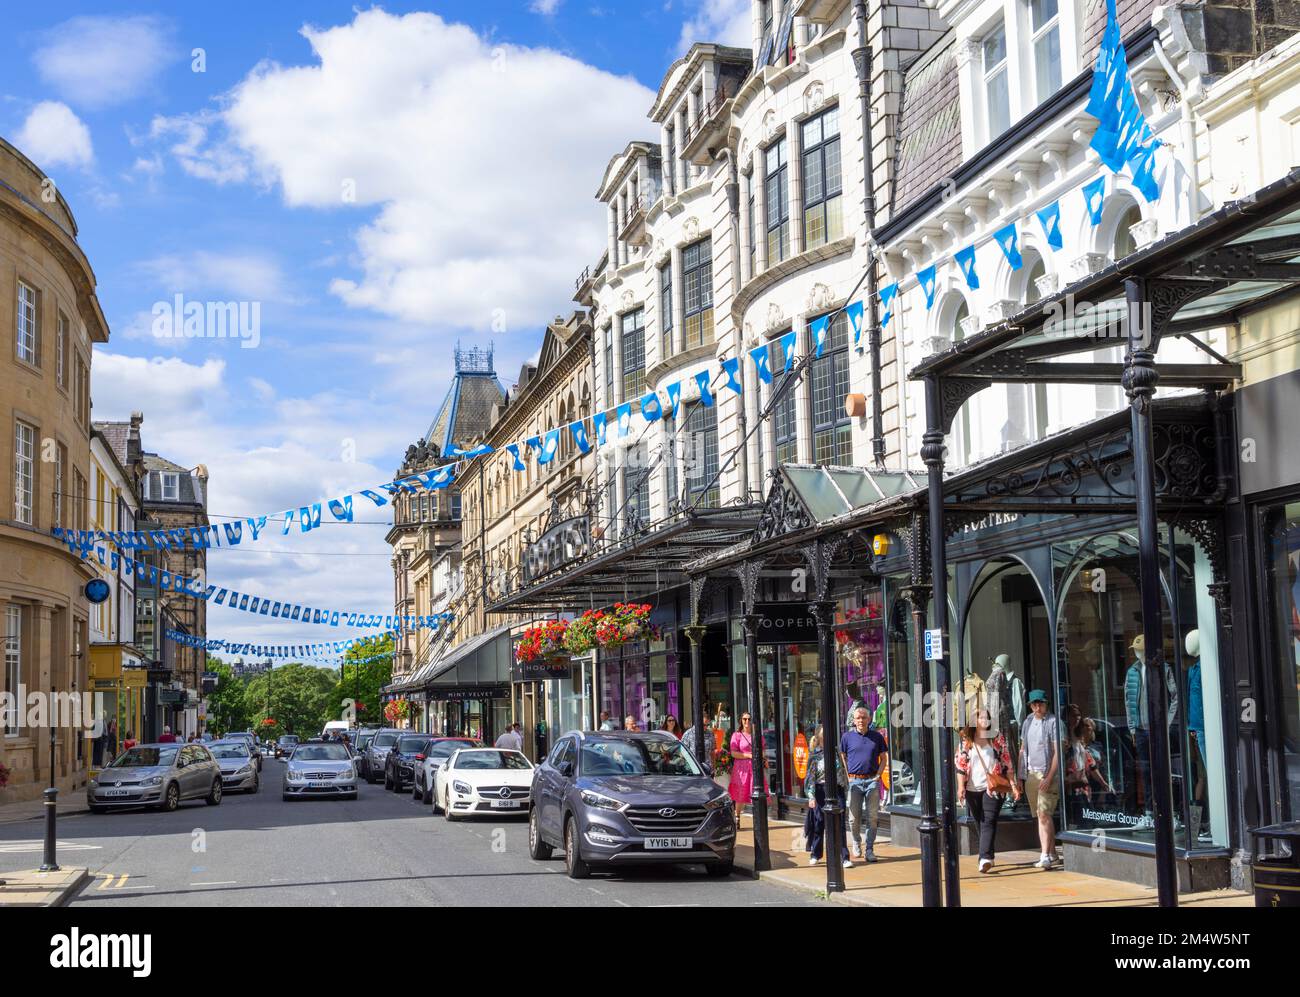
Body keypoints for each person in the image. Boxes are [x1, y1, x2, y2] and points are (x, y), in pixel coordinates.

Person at [955, 707, 1021, 873]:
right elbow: (960, 766)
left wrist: (1013, 785)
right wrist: (961, 787)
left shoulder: (996, 738)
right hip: (972, 788)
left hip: (992, 788)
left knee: (988, 821)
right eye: (981, 718)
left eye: (987, 718)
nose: (985, 721)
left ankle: (984, 857)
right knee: (980, 821)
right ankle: (988, 855)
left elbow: (1008, 764)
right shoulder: (966, 740)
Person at [1018, 689, 1061, 869]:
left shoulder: (1053, 722)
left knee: (1044, 814)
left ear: (1046, 704)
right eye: (1034, 704)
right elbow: (1022, 749)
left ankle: (1044, 856)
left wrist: (1049, 777)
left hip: (1046, 774)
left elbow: (1058, 752)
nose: (1037, 707)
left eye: (1040, 703)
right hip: (1031, 774)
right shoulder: (1027, 721)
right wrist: (1020, 776)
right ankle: (1052, 854)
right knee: (1040, 816)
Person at [839, 706, 887, 862]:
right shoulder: (847, 737)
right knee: (853, 818)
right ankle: (856, 842)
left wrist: (878, 776)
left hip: (871, 780)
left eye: (864, 717)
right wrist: (849, 777)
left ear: (869, 719)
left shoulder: (877, 737)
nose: (861, 720)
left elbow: (884, 758)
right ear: (854, 720)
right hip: (855, 782)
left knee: (872, 817)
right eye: (858, 718)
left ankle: (869, 849)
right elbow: (843, 758)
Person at [804, 725, 851, 868]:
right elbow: (809, 778)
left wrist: (845, 788)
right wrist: (811, 796)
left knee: (840, 823)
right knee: (819, 822)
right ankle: (816, 854)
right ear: (819, 738)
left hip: (837, 790)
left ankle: (844, 857)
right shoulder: (815, 755)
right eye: (825, 736)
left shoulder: (837, 752)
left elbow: (843, 770)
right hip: (820, 790)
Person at [728, 712, 758, 813]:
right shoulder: (737, 735)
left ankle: (757, 817)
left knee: (755, 791)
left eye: (749, 719)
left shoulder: (756, 735)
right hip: (741, 769)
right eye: (745, 719)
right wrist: (749, 755)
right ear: (741, 720)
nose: (747, 721)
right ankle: (737, 817)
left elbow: (762, 750)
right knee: (740, 793)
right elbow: (733, 753)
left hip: (754, 767)